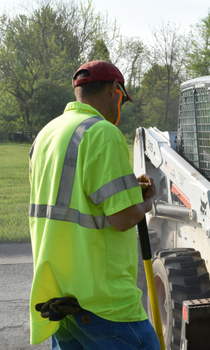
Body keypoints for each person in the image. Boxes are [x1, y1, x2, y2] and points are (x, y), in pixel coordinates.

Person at [28, 60, 159, 349]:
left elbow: (77, 197)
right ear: (115, 90)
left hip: (62, 301)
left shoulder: (46, 134)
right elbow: (123, 218)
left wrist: (127, 191)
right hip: (105, 304)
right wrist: (145, 204)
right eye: (122, 97)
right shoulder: (102, 133)